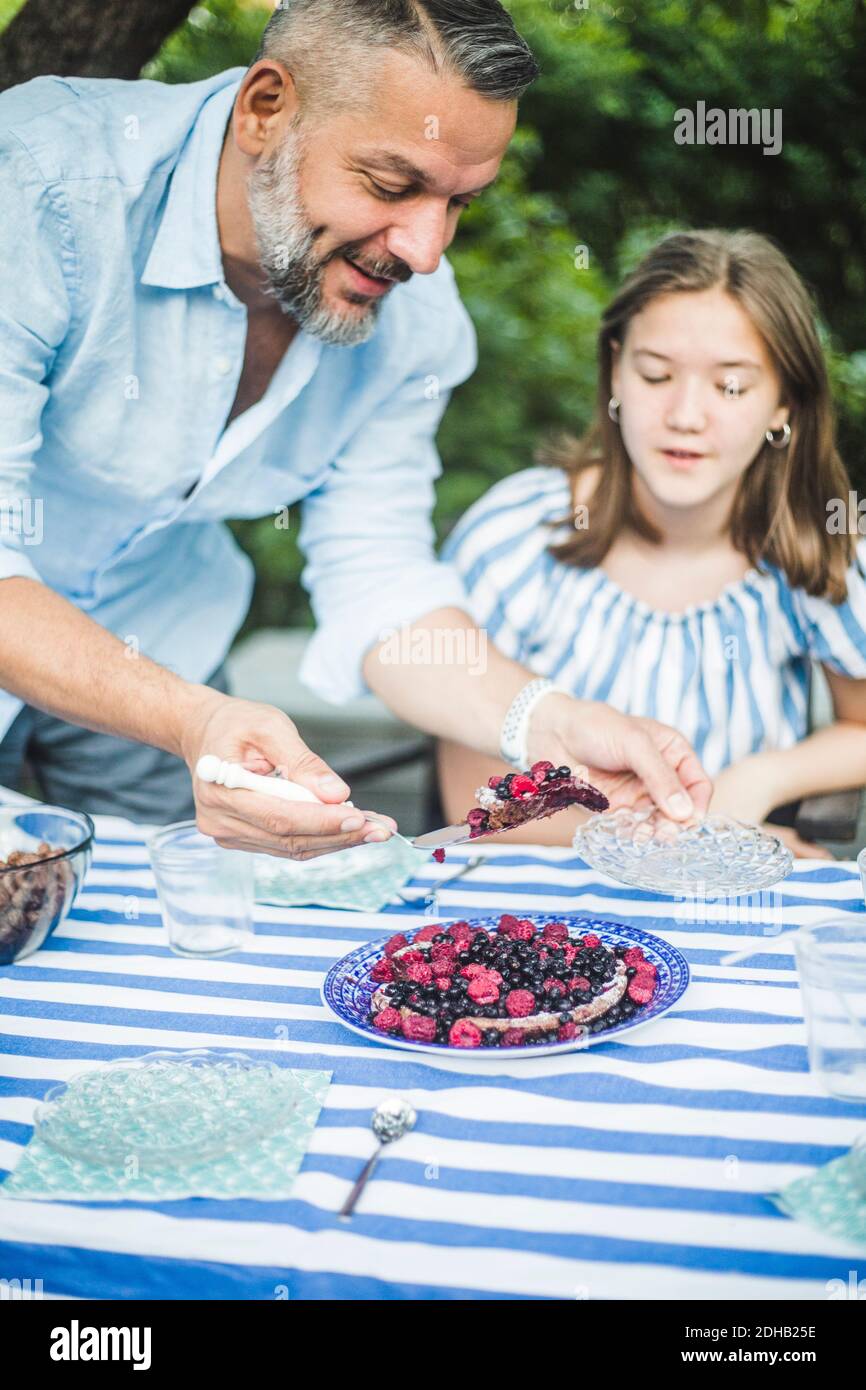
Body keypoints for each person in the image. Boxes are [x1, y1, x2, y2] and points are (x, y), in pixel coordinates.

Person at [0, 0, 710, 860]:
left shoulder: (417, 323)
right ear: (267, 108)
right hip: (156, 693)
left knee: (190, 940)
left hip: (161, 644)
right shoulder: (37, 184)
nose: (424, 250)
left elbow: (379, 582)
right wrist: (194, 719)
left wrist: (550, 722)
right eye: (392, 184)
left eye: (460, 204)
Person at [439, 229, 866, 858]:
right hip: (545, 916)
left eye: (731, 386)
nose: (686, 415)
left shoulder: (819, 546)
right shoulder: (515, 538)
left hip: (719, 906)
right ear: (616, 370)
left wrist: (760, 779)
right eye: (657, 374)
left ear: (785, 405)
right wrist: (695, 838)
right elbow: (474, 803)